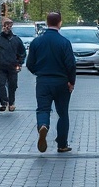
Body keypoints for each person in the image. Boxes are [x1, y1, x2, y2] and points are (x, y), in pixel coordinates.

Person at [25, 11, 76, 153]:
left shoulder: (37, 42)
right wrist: (71, 82)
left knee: (43, 109)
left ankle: (43, 125)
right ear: (60, 23)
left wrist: (39, 72)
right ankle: (62, 144)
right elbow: (71, 64)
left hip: (43, 81)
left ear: (47, 23)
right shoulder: (64, 42)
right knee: (63, 113)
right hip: (61, 82)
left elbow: (29, 64)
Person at [0, 18, 25, 111]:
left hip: (13, 66)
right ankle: (4, 102)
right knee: (1, 84)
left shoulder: (16, 39)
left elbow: (22, 52)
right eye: (5, 25)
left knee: (13, 85)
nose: (7, 27)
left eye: (9, 25)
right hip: (1, 66)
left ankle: (11, 103)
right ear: (2, 26)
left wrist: (20, 62)